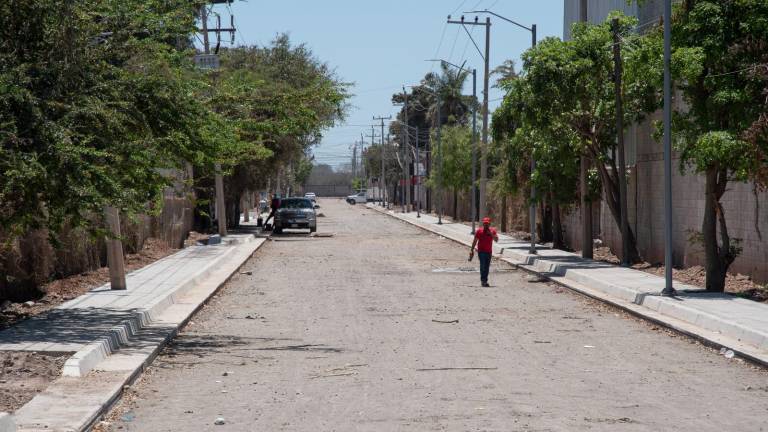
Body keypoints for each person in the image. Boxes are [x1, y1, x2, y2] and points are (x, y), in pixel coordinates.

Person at [469, 217, 499, 287]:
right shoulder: (479, 231)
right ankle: (483, 280)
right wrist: (472, 250)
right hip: (481, 251)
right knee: (482, 265)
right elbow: (475, 241)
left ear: (489, 224)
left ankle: (485, 280)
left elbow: (496, 240)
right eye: (485, 224)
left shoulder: (492, 231)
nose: (486, 225)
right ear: (483, 224)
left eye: (487, 224)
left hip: (489, 252)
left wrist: (491, 234)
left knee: (487, 266)